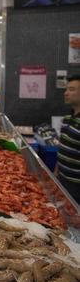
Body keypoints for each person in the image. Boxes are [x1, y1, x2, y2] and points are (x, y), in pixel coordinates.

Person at [57, 74, 80, 202]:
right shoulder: (66, 119)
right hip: (63, 179)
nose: (66, 93)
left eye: (71, 89)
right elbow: (62, 148)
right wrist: (56, 172)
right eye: (66, 89)